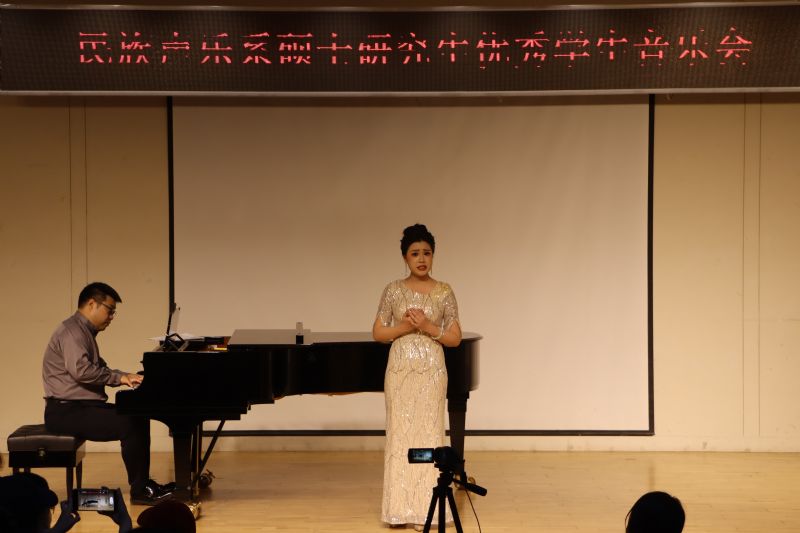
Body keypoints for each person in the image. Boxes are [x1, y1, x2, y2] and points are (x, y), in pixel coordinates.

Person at [42, 282, 173, 505]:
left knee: (137, 416)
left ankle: (143, 485)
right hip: (65, 411)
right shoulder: (72, 332)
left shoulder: (83, 332)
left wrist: (125, 375)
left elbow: (99, 368)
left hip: (79, 407)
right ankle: (140, 491)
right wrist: (120, 378)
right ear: (92, 304)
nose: (111, 317)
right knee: (130, 422)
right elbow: (82, 371)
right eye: (109, 310)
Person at [373, 224, 462, 528]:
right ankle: (399, 509)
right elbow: (378, 332)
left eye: (427, 253)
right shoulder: (393, 290)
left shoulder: (444, 291)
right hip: (400, 370)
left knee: (428, 434)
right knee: (401, 435)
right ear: (405, 257)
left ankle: (425, 509)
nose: (422, 259)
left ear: (433, 256)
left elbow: (454, 338)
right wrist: (405, 327)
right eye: (415, 253)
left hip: (431, 371)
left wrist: (427, 326)